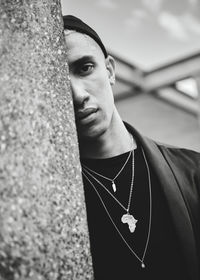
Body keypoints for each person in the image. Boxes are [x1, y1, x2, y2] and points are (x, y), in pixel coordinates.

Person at [63, 15, 200, 280]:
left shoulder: (193, 172)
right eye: (58, 81)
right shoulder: (53, 193)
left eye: (85, 68)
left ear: (110, 71)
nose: (78, 95)